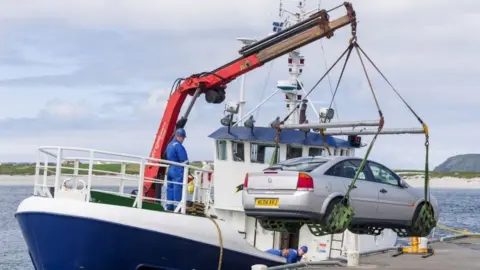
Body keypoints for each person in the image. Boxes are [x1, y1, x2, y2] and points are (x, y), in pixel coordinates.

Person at [165, 128, 189, 211]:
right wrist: (188, 169)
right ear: (179, 137)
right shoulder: (178, 146)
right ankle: (177, 208)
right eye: (183, 138)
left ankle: (169, 206)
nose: (183, 140)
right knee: (177, 188)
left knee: (170, 187)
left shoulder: (169, 145)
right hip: (177, 170)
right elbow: (184, 160)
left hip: (170, 168)